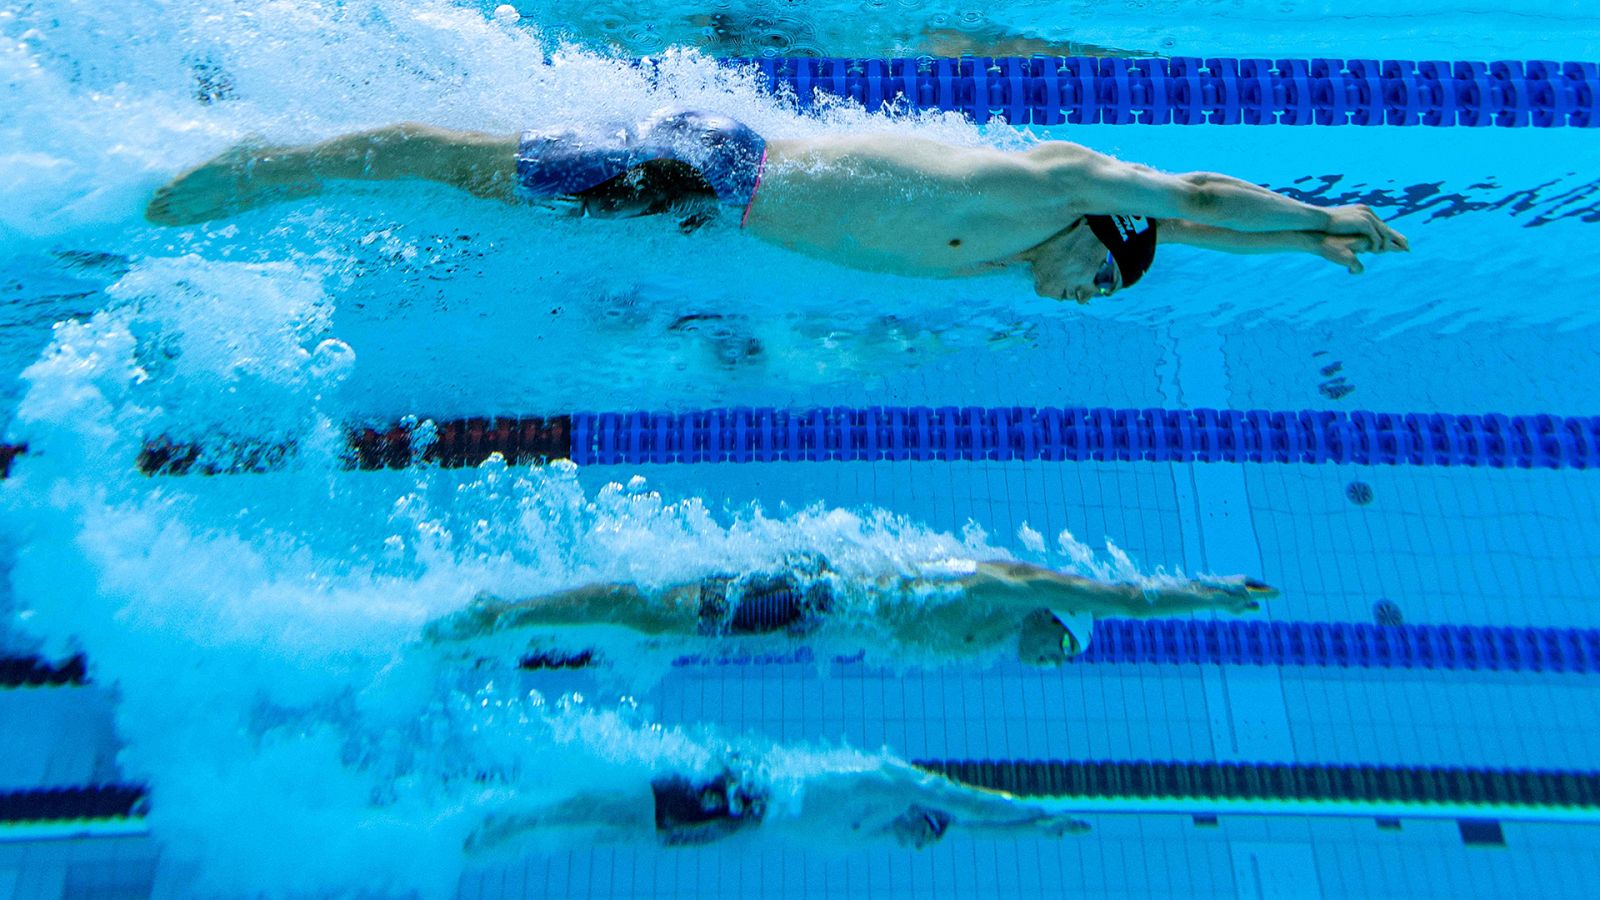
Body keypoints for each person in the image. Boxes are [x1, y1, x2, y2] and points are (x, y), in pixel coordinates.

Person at [145, 108, 1409, 303]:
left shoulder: (1014, 254)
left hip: (709, 206)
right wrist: (1321, 213)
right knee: (473, 167)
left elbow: (1180, 230)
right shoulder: (1051, 187)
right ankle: (284, 158)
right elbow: (1187, 196)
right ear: (1094, 238)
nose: (1074, 300)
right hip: (719, 170)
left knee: (498, 194)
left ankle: (300, 166)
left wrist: (1297, 251)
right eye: (1095, 285)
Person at [424, 554, 1279, 666]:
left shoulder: (987, 638)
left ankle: (516, 623)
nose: (1054, 666)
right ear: (1058, 620)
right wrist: (1210, 595)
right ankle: (505, 611)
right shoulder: (1009, 592)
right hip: (816, 593)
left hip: (814, 610)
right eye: (1065, 652)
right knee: (654, 613)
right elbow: (1126, 600)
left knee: (655, 617)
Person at [467, 752, 1088, 853]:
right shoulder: (889, 784)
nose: (917, 845)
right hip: (739, 791)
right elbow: (965, 804)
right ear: (923, 816)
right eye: (926, 834)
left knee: (615, 829)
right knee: (609, 811)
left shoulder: (868, 831)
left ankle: (498, 822)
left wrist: (1016, 835)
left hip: (735, 820)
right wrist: (1033, 820)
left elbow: (965, 827)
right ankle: (500, 812)